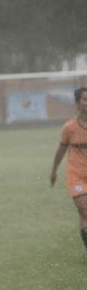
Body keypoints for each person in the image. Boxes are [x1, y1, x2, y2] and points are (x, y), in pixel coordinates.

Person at [50, 86, 87, 257]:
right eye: (85, 99)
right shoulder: (70, 127)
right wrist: (54, 170)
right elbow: (61, 150)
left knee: (84, 215)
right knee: (85, 211)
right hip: (76, 175)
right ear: (78, 103)